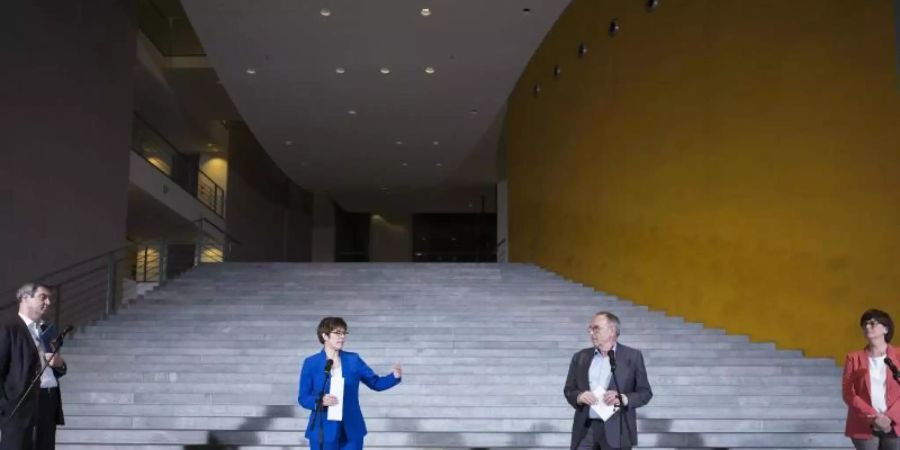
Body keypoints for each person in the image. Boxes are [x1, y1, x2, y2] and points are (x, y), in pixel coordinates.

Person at [298, 317, 402, 450]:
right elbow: (303, 397)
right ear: (325, 336)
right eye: (337, 333)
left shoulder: (353, 360)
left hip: (351, 430)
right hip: (323, 430)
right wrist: (320, 400)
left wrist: (394, 376)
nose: (342, 337)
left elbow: (376, 383)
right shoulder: (311, 363)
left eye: (344, 333)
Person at [564, 311, 652, 450]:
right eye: (590, 329)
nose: (591, 333)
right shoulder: (580, 357)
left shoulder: (632, 356)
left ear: (611, 330)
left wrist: (624, 398)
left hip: (617, 430)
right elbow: (569, 389)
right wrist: (579, 397)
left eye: (596, 328)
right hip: (586, 429)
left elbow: (645, 393)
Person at [0, 283, 67, 450]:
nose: (49, 302)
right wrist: (5, 408)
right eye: (43, 297)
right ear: (24, 298)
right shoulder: (8, 328)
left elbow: (54, 366)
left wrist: (60, 364)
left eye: (50, 298)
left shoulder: (47, 330)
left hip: (48, 401)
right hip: (19, 406)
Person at [842, 309, 900, 450]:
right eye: (865, 324)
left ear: (885, 329)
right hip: (863, 423)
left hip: (896, 422)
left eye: (872, 323)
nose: (867, 327)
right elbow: (848, 393)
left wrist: (889, 417)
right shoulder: (853, 358)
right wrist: (875, 417)